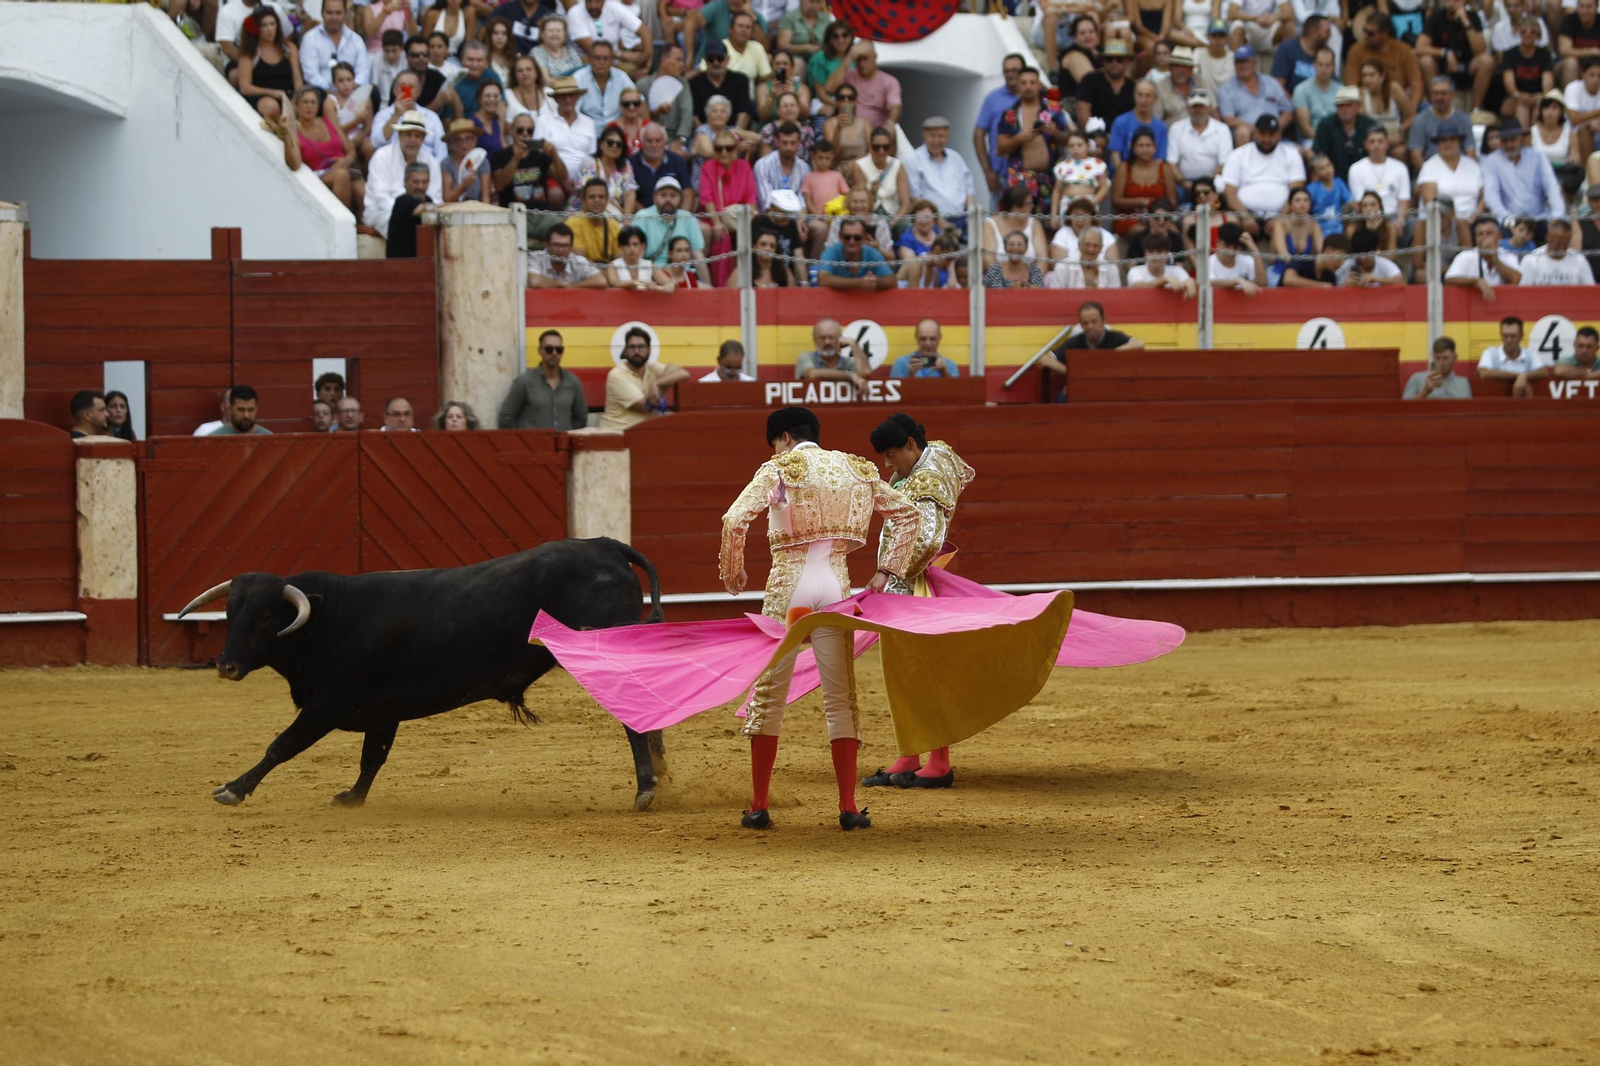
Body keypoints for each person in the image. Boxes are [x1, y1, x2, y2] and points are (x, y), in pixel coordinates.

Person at [720, 406, 919, 832]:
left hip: (789, 586)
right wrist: (887, 570)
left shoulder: (781, 466)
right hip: (835, 586)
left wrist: (733, 568)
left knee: (770, 691)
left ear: (785, 437)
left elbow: (735, 518)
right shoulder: (857, 468)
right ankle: (848, 807)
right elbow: (908, 516)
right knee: (840, 696)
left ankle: (758, 806)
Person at [859, 413, 975, 791]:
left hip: (912, 587)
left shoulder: (925, 481)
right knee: (903, 673)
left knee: (925, 673)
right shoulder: (932, 458)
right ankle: (910, 754)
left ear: (911, 444)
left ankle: (939, 761)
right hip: (906, 585)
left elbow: (926, 541)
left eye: (891, 455)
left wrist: (889, 573)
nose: (887, 464)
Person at [1220, 114, 1305, 233]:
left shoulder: (1291, 154)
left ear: (1279, 135)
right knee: (1230, 222)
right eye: (1262, 134)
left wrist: (1280, 217)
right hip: (1245, 214)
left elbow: (1296, 189)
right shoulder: (1238, 154)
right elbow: (1229, 192)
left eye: (1271, 134)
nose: (1266, 139)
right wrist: (1246, 216)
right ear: (1254, 133)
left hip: (1283, 215)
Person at [364, 112, 442, 239]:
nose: (412, 140)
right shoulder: (382, 156)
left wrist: (421, 211)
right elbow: (381, 198)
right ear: (399, 135)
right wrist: (410, 211)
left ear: (423, 139)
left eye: (417, 136)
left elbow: (435, 197)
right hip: (382, 212)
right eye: (408, 135)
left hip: (422, 212)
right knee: (405, 222)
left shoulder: (431, 162)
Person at [1482, 120, 1566, 233]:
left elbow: (1551, 187)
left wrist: (1557, 217)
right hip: (1510, 221)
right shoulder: (1491, 161)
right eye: (1505, 141)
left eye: (1513, 140)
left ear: (1521, 138)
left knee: (1561, 229)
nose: (1509, 145)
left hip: (1540, 218)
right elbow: (1491, 195)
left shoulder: (1538, 157)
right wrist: (1507, 218)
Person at [601, 326, 690, 430]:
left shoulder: (652, 368)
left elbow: (684, 373)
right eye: (632, 347)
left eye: (641, 346)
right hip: (618, 435)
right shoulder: (617, 375)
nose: (637, 351)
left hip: (646, 434)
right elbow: (645, 406)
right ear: (625, 351)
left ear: (649, 349)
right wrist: (665, 384)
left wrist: (656, 383)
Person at [499, 329, 590, 430]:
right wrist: (525, 441)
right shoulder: (524, 382)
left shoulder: (573, 382)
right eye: (549, 349)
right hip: (533, 444)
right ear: (540, 350)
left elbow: (581, 419)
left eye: (559, 349)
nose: (554, 353)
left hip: (563, 444)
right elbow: (506, 419)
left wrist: (565, 435)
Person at [1416, 0, 1494, 111]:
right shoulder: (1436, 18)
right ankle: (1434, 106)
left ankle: (1475, 109)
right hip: (1443, 66)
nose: (1452, 2)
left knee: (1487, 61)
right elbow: (1419, 47)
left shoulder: (1472, 17)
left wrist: (1465, 21)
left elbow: (1480, 50)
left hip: (1467, 66)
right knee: (1425, 61)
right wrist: (1445, 52)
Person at [1038, 301, 1146, 379]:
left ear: (1103, 321)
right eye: (1085, 323)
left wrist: (1112, 353)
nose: (1090, 326)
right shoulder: (1076, 341)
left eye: (1094, 322)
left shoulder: (1114, 337)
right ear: (1081, 324)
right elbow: (1045, 359)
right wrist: (1070, 373)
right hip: (1081, 386)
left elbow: (1139, 344)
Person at [634, 178, 709, 280]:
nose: (668, 199)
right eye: (663, 195)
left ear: (680, 199)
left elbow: (698, 256)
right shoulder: (642, 217)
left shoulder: (688, 218)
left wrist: (707, 289)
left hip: (683, 276)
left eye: (673, 196)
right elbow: (637, 255)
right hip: (652, 278)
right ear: (654, 198)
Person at [974, 52, 1025, 201]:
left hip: (1029, 175)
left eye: (1015, 70)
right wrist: (987, 171)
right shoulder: (992, 98)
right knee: (998, 221)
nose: (1010, 74)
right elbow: (978, 135)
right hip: (1000, 176)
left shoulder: (1034, 97)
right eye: (1007, 71)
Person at [1219, 45, 1294, 147]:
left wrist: (1275, 128)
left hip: (1274, 131)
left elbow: (1287, 111)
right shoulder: (1226, 89)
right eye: (1239, 62)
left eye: (1246, 61)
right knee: (1242, 132)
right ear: (1234, 65)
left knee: (1301, 151)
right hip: (1248, 134)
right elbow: (1229, 119)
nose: (1242, 65)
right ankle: (1245, 162)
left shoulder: (1271, 82)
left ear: (1255, 63)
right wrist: (1258, 130)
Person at [1417, 130, 1483, 245]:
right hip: (1443, 221)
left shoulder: (1472, 165)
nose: (1448, 144)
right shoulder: (1429, 166)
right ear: (1438, 144)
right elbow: (1429, 200)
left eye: (1452, 140)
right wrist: (1455, 219)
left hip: (1475, 220)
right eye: (1443, 140)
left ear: (1459, 142)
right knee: (1461, 227)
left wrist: (1476, 214)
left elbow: (1484, 196)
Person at [1343, 13, 1422, 109]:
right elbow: (1351, 87)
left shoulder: (1403, 50)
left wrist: (1411, 109)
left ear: (1385, 34)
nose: (1365, 35)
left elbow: (1416, 83)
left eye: (1370, 33)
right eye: (1364, 31)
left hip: (1398, 102)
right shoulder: (1356, 50)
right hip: (1366, 104)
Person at [237, 6, 301, 121]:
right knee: (272, 107)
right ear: (257, 28)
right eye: (264, 25)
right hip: (261, 96)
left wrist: (299, 96)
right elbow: (245, 87)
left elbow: (297, 77)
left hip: (287, 94)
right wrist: (272, 93)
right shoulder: (250, 53)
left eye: (272, 24)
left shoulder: (289, 48)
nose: (269, 29)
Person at [905, 116, 973, 223]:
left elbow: (969, 189)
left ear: (948, 136)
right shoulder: (913, 160)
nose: (936, 140)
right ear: (924, 136)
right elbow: (915, 198)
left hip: (961, 219)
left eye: (941, 136)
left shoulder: (956, 158)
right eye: (932, 136)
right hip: (931, 223)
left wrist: (971, 216)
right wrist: (942, 224)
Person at [1111, 127, 1177, 236]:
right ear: (1133, 147)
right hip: (1130, 218)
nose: (1145, 149)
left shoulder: (1164, 167)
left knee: (1174, 232)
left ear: (1154, 147)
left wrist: (1156, 210)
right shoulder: (1124, 167)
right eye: (1140, 145)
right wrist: (1140, 201)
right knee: (1143, 232)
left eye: (1148, 145)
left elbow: (1172, 201)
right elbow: (1116, 200)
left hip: (1160, 218)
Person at [1168, 89, 1233, 198]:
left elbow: (1224, 163)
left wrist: (1207, 184)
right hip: (1184, 182)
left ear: (1208, 108)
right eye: (1194, 106)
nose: (1197, 110)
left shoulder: (1222, 129)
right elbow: (1171, 162)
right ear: (1188, 108)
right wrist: (1183, 182)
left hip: (1213, 182)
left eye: (1201, 106)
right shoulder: (1176, 128)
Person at [825, 41, 901, 130]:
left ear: (875, 57)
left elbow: (895, 106)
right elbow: (829, 89)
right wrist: (849, 58)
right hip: (849, 129)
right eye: (858, 59)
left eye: (865, 59)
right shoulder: (849, 74)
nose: (862, 63)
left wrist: (890, 123)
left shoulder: (889, 81)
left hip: (876, 133)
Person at [1346, 126, 1411, 229]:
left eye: (1380, 141)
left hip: (1394, 217)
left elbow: (1404, 199)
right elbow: (1360, 202)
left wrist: (1400, 221)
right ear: (1365, 144)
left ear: (1387, 144)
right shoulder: (1355, 169)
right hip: (1367, 218)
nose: (1376, 145)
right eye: (1372, 142)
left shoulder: (1400, 167)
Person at [300, 0, 371, 92]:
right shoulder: (310, 38)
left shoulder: (356, 40)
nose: (334, 17)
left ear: (345, 14)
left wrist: (349, 90)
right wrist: (332, 91)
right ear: (322, 13)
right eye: (329, 13)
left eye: (338, 13)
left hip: (352, 92)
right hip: (322, 93)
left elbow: (363, 72)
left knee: (373, 93)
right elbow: (311, 75)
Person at [1446, 214, 1524, 296]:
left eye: (1489, 233)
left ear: (1499, 237)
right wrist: (1477, 281)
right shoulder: (1465, 256)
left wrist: (1494, 259)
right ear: (1475, 238)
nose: (1484, 237)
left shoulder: (1508, 256)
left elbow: (1516, 279)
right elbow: (1449, 280)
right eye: (1480, 234)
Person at [1409, 74, 1476, 170]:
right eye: (1435, 93)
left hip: (1459, 170)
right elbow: (1415, 155)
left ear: (1453, 94)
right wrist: (1430, 174)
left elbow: (1470, 151)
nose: (1439, 97)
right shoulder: (1420, 120)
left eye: (1443, 93)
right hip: (1430, 172)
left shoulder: (1464, 119)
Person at [1501, 15, 1555, 131]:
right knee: (1522, 105)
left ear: (1537, 34)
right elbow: (1508, 81)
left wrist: (1543, 95)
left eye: (1532, 32)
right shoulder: (1509, 55)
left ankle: (1534, 139)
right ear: (1519, 33)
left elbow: (1548, 80)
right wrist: (1518, 95)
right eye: (1524, 31)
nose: (1528, 35)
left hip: (1537, 96)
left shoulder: (1544, 55)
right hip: (1514, 97)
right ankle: (1524, 137)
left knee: (1539, 103)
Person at [1312, 84, 1378, 181]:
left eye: (1349, 105)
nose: (1345, 109)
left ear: (1358, 106)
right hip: (1334, 178)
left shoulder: (1369, 125)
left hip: (1366, 176)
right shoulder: (1326, 125)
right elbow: (1320, 155)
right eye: (1341, 106)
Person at [574, 124, 640, 214]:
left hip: (614, 215)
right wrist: (613, 203)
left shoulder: (625, 165)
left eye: (619, 144)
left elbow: (630, 192)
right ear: (601, 144)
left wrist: (626, 220)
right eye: (610, 142)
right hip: (586, 213)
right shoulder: (589, 162)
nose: (614, 146)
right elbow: (586, 192)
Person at [817, 217, 896, 291]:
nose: (852, 241)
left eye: (857, 238)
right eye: (847, 237)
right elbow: (823, 279)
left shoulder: (872, 252)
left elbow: (891, 280)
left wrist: (873, 282)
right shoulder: (830, 252)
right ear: (839, 236)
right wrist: (859, 282)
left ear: (865, 238)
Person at [541, 76, 600, 177]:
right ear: (555, 99)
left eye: (571, 95)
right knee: (556, 193)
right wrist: (563, 181)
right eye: (563, 96)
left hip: (585, 177)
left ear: (578, 96)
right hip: (554, 176)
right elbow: (539, 156)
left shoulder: (589, 122)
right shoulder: (543, 121)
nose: (568, 99)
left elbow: (592, 155)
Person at [1477, 315, 1549, 396]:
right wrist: (1520, 376)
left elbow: (1543, 372)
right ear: (1501, 335)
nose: (1509, 340)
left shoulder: (1530, 353)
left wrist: (1524, 377)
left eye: (1513, 336)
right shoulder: (1491, 352)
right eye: (1505, 336)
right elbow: (1484, 373)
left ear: (1521, 336)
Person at [796, 318, 871, 394]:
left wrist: (853, 343)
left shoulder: (847, 362)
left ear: (840, 338)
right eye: (822, 338)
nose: (827, 342)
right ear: (815, 340)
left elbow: (865, 373)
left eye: (831, 337)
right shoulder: (807, 357)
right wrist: (849, 375)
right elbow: (811, 374)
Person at [630, 122, 695, 207]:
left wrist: (682, 216)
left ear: (665, 142)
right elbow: (628, 195)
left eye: (658, 140)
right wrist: (644, 214)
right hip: (640, 216)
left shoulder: (677, 161)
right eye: (649, 141)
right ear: (642, 142)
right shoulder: (630, 163)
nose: (654, 145)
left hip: (674, 215)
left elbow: (687, 193)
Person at [1108, 79, 1168, 171]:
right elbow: (1115, 155)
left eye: (1148, 96)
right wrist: (1125, 178)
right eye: (1140, 95)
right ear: (1134, 96)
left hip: (1151, 176)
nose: (1143, 100)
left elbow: (1160, 159)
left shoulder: (1161, 127)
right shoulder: (1121, 122)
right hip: (1124, 174)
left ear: (1155, 99)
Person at [1076, 40, 1137, 130]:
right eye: (1109, 59)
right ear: (1103, 61)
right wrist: (1094, 135)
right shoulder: (1089, 81)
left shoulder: (1134, 87)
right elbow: (1082, 111)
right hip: (1096, 136)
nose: (1114, 63)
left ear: (1126, 62)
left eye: (1119, 59)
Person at [854, 127, 910, 223]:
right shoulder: (860, 165)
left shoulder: (897, 165)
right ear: (870, 147)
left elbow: (905, 203)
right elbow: (860, 202)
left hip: (893, 214)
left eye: (885, 147)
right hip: (869, 214)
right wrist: (871, 193)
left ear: (890, 148)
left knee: (906, 227)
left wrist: (891, 224)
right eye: (876, 147)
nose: (881, 151)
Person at [574, 41, 636, 127]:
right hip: (587, 130)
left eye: (605, 58)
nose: (601, 62)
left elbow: (639, 102)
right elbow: (573, 110)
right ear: (590, 59)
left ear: (612, 61)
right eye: (597, 58)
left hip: (617, 131)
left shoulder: (621, 77)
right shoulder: (579, 77)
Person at [527, 222, 607, 288]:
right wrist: (560, 284)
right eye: (556, 245)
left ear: (571, 247)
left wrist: (572, 286)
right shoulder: (536, 258)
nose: (561, 250)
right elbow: (534, 281)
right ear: (547, 245)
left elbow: (601, 281)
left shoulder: (578, 261)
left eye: (565, 246)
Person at [752, 121, 810, 211]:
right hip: (769, 217)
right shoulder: (762, 165)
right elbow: (766, 202)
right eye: (785, 143)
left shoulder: (805, 168)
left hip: (796, 218)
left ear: (799, 143)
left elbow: (802, 202)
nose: (789, 148)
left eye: (793, 143)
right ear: (777, 141)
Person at [1519, 219, 1594, 285]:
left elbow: (1590, 291)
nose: (1561, 249)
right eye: (1558, 244)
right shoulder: (1531, 260)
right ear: (1547, 237)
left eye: (1565, 244)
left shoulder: (1579, 260)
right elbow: (1523, 293)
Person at [386, 162, 435, 258]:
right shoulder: (402, 201)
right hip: (402, 265)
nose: (420, 187)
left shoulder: (428, 200)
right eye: (416, 182)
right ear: (405, 181)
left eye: (424, 182)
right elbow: (420, 210)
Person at [607, 224, 677, 290]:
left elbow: (669, 282)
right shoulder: (613, 266)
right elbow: (614, 283)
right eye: (627, 245)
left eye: (635, 244)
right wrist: (639, 283)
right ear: (621, 246)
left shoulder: (649, 265)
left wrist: (671, 284)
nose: (632, 248)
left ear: (643, 246)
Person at [1272, 13, 1329, 95]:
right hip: (1290, 103)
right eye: (1327, 32)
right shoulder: (1286, 49)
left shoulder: (1325, 53)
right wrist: (1295, 104)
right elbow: (1278, 86)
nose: (1330, 35)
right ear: (1313, 32)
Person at [1292, 47, 1340, 141]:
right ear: (1314, 64)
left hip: (1337, 140)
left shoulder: (1341, 90)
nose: (1323, 69)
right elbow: (1305, 129)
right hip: (1311, 140)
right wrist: (1325, 142)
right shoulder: (1301, 90)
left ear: (1334, 66)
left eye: (1327, 65)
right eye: (1320, 64)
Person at [1126, 232, 1198, 295]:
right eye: (1150, 251)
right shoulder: (1135, 271)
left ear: (1167, 253)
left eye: (1159, 251)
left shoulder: (1177, 270)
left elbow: (1188, 281)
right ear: (1145, 253)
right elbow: (1138, 286)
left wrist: (1190, 282)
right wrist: (1164, 280)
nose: (1155, 256)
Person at [1403, 336, 1473, 399]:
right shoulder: (1417, 379)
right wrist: (1425, 391)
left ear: (1454, 357)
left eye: (1445, 358)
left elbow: (1468, 410)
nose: (1441, 362)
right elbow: (1404, 409)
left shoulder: (1463, 383)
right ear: (1433, 356)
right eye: (1437, 358)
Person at [1047, 228, 1120, 288]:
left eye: (1095, 246)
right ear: (1079, 245)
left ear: (1101, 248)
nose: (1091, 249)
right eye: (1087, 245)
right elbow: (1056, 298)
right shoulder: (1062, 267)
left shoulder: (1111, 268)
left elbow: (1116, 298)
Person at [442, 118, 493, 203]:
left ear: (475, 140)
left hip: (477, 209)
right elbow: (447, 198)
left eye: (468, 138)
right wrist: (464, 185)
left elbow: (486, 196)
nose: (464, 143)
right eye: (459, 139)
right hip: (454, 209)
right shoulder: (447, 164)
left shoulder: (482, 162)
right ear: (452, 143)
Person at [1208, 221, 1266, 294]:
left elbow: (1262, 283)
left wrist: (1254, 249)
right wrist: (1238, 281)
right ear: (1218, 243)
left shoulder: (1245, 260)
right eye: (1227, 245)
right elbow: (1210, 282)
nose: (1231, 250)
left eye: (1235, 246)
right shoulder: (1209, 262)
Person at [888, 320, 960, 378]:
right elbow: (898, 395)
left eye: (933, 339)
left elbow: (956, 394)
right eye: (923, 339)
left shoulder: (949, 365)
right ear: (916, 338)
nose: (928, 343)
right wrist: (910, 376)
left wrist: (944, 374)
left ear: (939, 338)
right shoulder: (902, 364)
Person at [1335, 227, 1404, 286]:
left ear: (1375, 251)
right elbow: (1333, 288)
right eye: (1358, 256)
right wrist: (1344, 285)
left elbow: (1401, 281)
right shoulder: (1346, 265)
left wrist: (1376, 279)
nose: (1361, 260)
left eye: (1365, 256)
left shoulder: (1383, 264)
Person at [1305, 152, 1353, 236]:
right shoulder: (1311, 189)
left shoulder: (1339, 183)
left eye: (1328, 165)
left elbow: (1351, 202)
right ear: (1316, 173)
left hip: (1338, 231)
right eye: (1321, 168)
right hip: (1318, 232)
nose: (1327, 170)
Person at [1155, 46, 1201, 125]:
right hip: (1170, 134)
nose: (1180, 70)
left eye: (1185, 66)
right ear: (1170, 68)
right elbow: (1156, 120)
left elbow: (1211, 108)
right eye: (1176, 66)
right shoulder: (1160, 87)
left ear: (1191, 69)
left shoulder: (1200, 82)